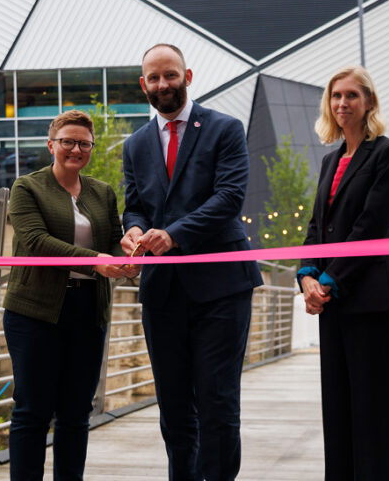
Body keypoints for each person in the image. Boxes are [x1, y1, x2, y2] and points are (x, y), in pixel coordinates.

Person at [120, 44, 263, 481]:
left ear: (188, 76)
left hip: (220, 286)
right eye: (154, 78)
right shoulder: (135, 144)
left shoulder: (224, 129)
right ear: (143, 84)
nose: (163, 84)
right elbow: (135, 206)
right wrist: (133, 230)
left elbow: (229, 198)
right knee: (174, 404)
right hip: (163, 291)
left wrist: (174, 234)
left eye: (171, 75)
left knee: (218, 399)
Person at [2, 110, 135, 481]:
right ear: (51, 145)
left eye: (84, 143)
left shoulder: (103, 192)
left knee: (76, 413)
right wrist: (97, 261)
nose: (76, 149)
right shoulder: (27, 187)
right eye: (68, 142)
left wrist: (128, 260)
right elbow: (37, 243)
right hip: (35, 313)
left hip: (87, 312)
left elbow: (113, 243)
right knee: (32, 411)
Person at [298, 65, 389, 480]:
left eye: (351, 96)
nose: (342, 103)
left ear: (369, 103)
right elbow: (316, 228)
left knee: (376, 408)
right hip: (333, 303)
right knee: (339, 406)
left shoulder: (388, 153)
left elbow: (372, 226)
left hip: (370, 300)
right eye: (335, 96)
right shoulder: (330, 160)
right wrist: (307, 276)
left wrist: (327, 282)